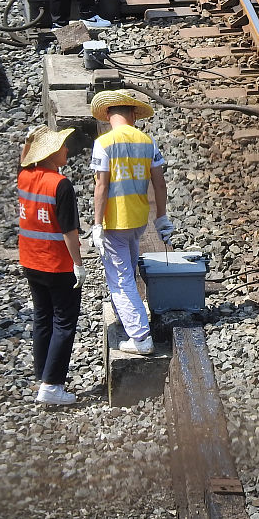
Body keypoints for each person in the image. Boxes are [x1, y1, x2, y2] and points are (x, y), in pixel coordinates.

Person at [89, 90, 173, 356]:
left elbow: (101, 186)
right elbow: (159, 183)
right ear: (134, 115)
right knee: (128, 273)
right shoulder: (147, 141)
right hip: (138, 220)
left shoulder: (104, 143)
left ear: (107, 116)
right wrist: (161, 217)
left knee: (121, 280)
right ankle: (128, 319)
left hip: (115, 222)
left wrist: (97, 224)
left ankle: (140, 337)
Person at [17, 126, 85, 406]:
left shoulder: (24, 178)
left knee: (42, 317)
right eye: (61, 146)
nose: (66, 149)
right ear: (49, 153)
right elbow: (70, 232)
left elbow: (22, 161)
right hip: (56, 264)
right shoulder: (60, 184)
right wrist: (78, 265)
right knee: (64, 323)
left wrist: (27, 142)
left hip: (30, 261)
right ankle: (52, 385)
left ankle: (42, 373)